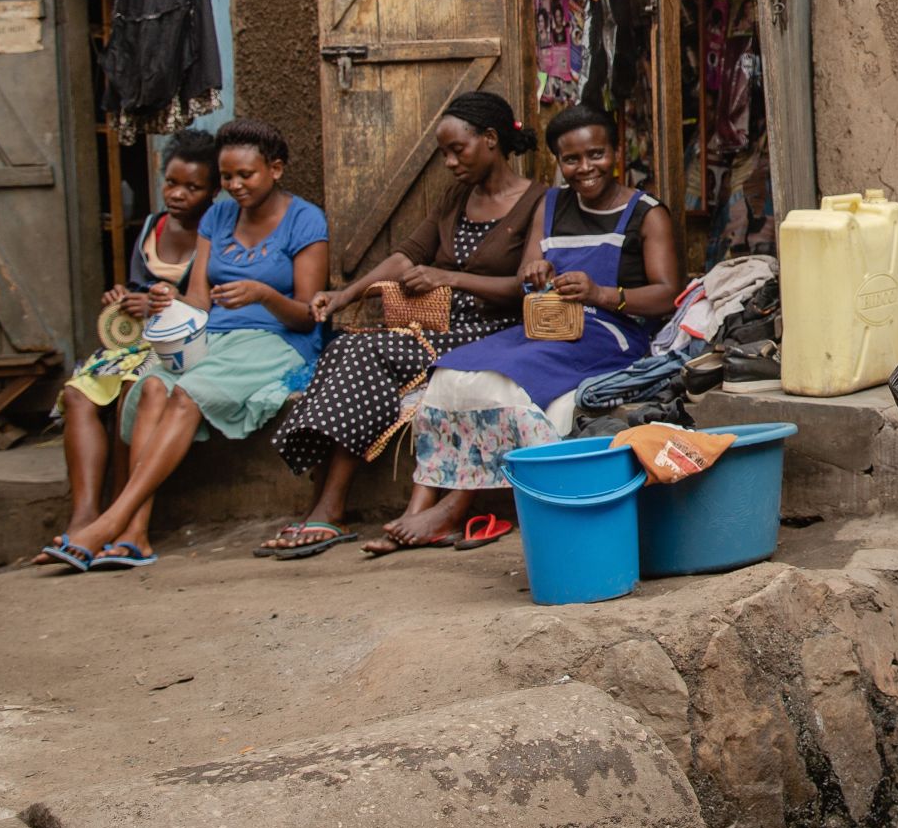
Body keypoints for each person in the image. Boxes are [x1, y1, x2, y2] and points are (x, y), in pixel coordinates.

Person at [380, 104, 682, 554]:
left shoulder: (646, 213)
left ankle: (455, 508)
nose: (584, 168)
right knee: (451, 373)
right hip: (546, 326)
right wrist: (536, 270)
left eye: (596, 155)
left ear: (617, 152)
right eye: (571, 159)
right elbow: (526, 274)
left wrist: (602, 293)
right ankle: (419, 503)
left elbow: (666, 293)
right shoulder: (552, 203)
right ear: (558, 162)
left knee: (507, 383)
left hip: (611, 332)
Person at [257, 92, 545, 558]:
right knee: (350, 349)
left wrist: (448, 276)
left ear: (491, 140)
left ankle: (328, 508)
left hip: (498, 333)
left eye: (458, 150)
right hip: (439, 330)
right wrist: (346, 294)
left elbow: (523, 287)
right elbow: (406, 255)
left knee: (362, 354)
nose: (450, 162)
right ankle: (328, 506)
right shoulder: (457, 198)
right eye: (444, 153)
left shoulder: (538, 201)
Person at [48, 118, 329, 571]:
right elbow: (198, 302)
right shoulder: (217, 217)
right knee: (152, 387)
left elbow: (307, 314)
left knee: (186, 391)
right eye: (226, 176)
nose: (234, 186)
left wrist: (263, 294)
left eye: (246, 175)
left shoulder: (305, 219)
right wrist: (169, 300)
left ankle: (111, 521)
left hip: (276, 341)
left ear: (276, 169)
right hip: (213, 338)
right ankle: (136, 534)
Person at [34, 129, 219, 569]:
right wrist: (124, 299)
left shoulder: (214, 233)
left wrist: (160, 300)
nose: (177, 194)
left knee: (129, 392)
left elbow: (199, 301)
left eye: (192, 188)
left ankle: (123, 513)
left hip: (175, 342)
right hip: (133, 340)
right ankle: (83, 515)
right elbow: (137, 288)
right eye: (171, 183)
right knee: (79, 392)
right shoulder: (152, 228)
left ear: (212, 191)